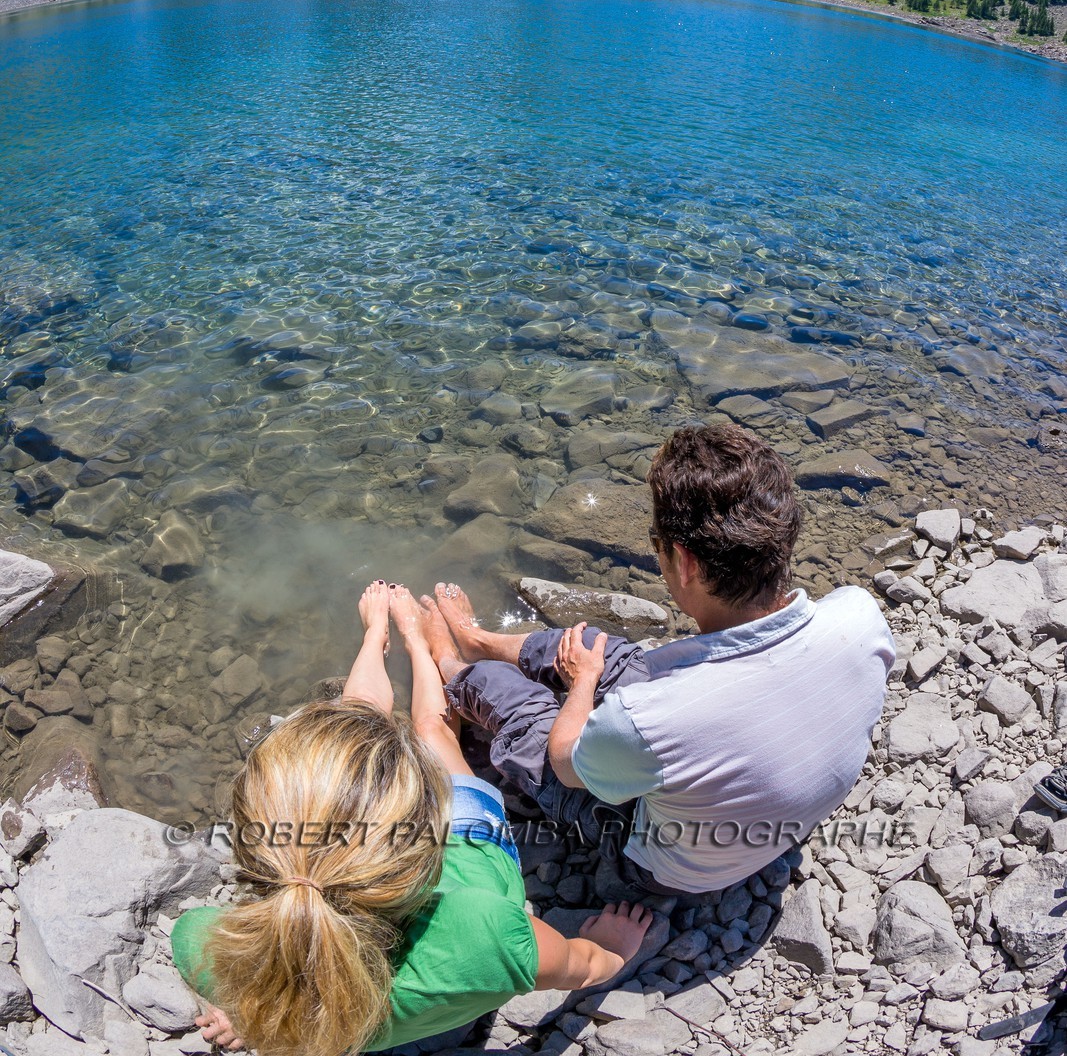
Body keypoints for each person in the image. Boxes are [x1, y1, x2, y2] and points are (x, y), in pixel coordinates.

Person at [170, 582, 652, 1056]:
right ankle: (421, 647)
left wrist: (250, 1011)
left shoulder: (205, 948)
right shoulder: (483, 933)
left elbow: (261, 973)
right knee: (430, 732)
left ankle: (376, 635)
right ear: (421, 843)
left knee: (352, 737)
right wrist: (611, 951)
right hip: (473, 849)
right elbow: (582, 965)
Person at [421, 422, 895, 894]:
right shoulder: (859, 614)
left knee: (527, 712)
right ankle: (476, 636)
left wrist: (582, 684)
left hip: (661, 865)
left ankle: (448, 659)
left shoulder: (650, 720)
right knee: (605, 651)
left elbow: (565, 762)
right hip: (777, 813)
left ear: (686, 563)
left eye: (656, 544)